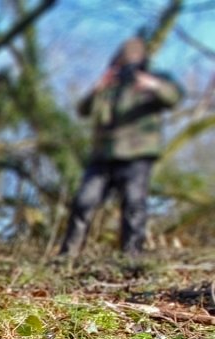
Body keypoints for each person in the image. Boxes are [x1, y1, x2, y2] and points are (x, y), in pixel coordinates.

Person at [58, 37, 183, 259]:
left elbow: (174, 97)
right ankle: (68, 255)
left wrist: (151, 84)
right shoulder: (110, 85)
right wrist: (97, 89)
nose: (128, 62)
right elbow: (83, 110)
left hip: (137, 154)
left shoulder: (155, 80)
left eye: (134, 57)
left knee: (134, 204)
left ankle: (131, 257)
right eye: (124, 57)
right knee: (83, 202)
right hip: (103, 155)